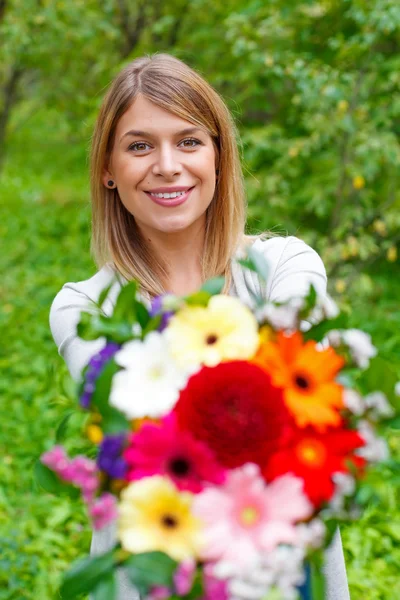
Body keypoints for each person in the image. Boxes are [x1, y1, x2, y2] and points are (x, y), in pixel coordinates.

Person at [50, 53, 350, 600]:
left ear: (219, 156)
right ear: (108, 170)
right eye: (140, 146)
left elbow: (301, 392)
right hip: (156, 578)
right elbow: (147, 429)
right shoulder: (86, 308)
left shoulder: (283, 266)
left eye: (189, 141)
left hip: (283, 575)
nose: (167, 165)